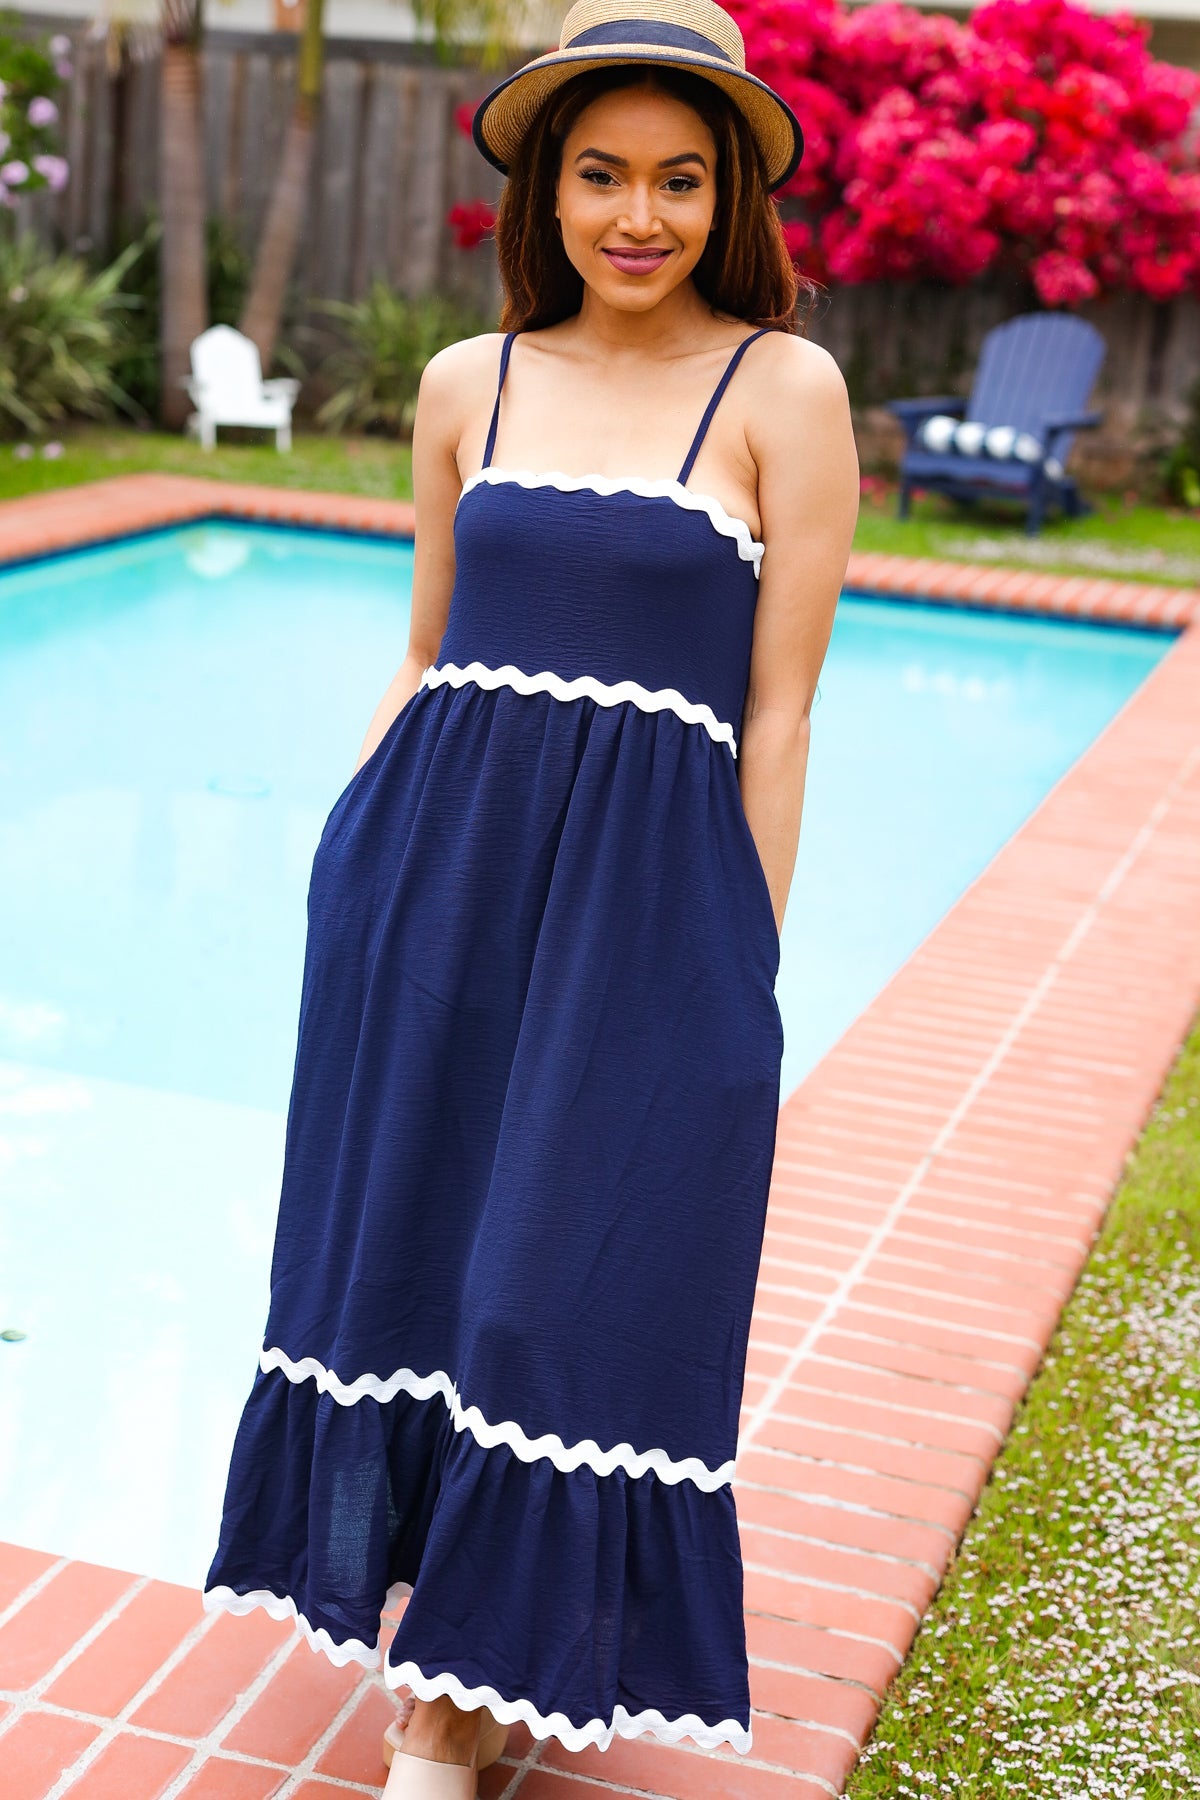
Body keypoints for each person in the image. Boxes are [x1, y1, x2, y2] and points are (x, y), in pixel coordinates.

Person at [203, 1, 859, 1792]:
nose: (638, 215)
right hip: (429, 888)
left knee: (555, 1291)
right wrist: (350, 870)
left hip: (644, 916)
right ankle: (457, 1679)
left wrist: (740, 959)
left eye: (679, 178)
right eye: (602, 174)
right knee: (416, 1267)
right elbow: (426, 651)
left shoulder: (782, 392)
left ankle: (458, 1701)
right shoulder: (465, 383)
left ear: (728, 196)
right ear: (546, 189)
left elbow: (781, 713)